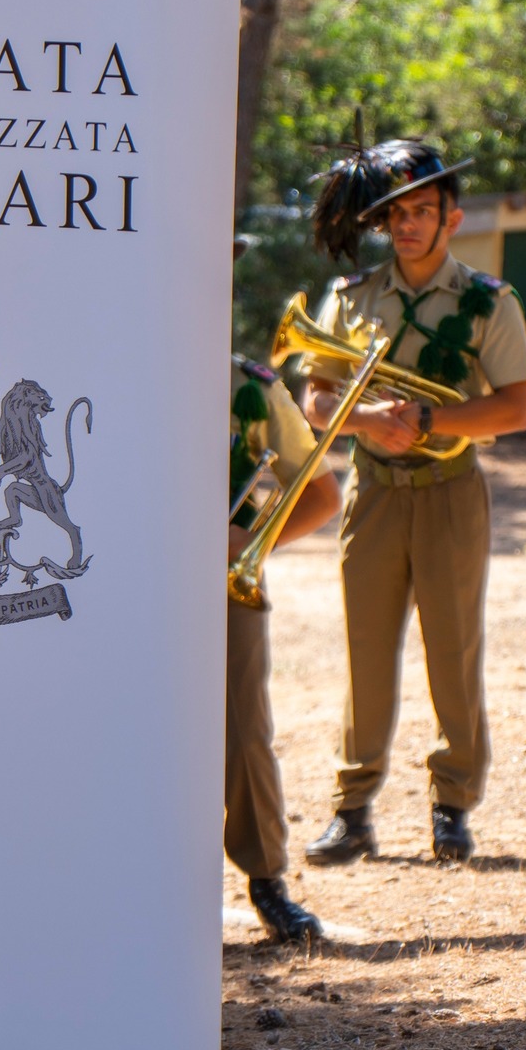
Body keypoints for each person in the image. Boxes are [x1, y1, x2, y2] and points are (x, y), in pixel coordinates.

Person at [302, 136, 526, 867]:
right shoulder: (351, 299)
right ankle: (352, 810)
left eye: (423, 211)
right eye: (397, 213)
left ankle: (452, 805)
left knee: (453, 649)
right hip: (374, 491)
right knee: (366, 649)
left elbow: (515, 408)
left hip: (449, 492)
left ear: (451, 220)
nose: (407, 224)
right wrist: (368, 420)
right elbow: (316, 399)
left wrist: (432, 419)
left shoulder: (488, 301)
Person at [228, 252, 342, 945]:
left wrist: (250, 545)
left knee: (244, 730)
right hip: (123, 578)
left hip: (222, 579)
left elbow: (323, 495)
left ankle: (267, 879)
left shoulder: (252, 388)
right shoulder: (116, 370)